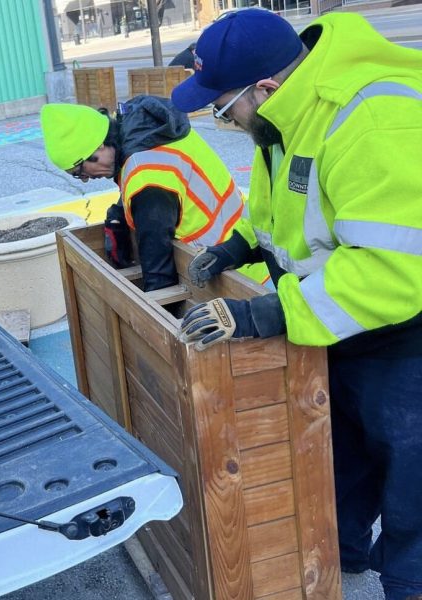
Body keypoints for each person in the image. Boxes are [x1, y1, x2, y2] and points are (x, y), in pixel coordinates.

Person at [171, 9, 422, 600]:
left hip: (402, 336)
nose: (223, 121)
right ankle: (345, 554)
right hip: (339, 327)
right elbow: (281, 218)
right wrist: (237, 248)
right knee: (346, 457)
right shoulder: (283, 121)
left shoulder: (370, 120)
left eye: (221, 107)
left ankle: (408, 581)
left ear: (267, 88)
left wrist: (267, 314)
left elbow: (393, 266)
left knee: (410, 475)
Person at [40, 96, 259, 292]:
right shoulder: (145, 132)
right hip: (242, 248)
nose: (86, 179)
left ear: (97, 147)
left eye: (79, 171)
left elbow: (159, 270)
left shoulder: (148, 180)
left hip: (235, 276)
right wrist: (117, 215)